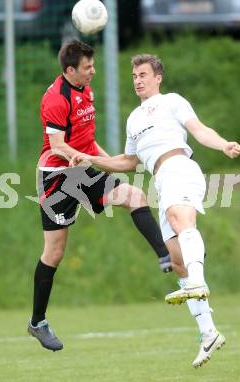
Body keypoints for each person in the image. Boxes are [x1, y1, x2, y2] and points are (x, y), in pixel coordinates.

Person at [71, 54, 240, 367]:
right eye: (134, 75)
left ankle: (198, 282)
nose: (137, 80)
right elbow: (128, 162)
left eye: (143, 74)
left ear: (158, 77)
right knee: (177, 262)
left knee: (181, 219)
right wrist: (90, 159)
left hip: (180, 166)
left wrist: (223, 144)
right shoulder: (133, 119)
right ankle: (209, 332)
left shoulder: (172, 102)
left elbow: (200, 130)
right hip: (161, 182)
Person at [27, 42, 173, 352]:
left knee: (134, 196)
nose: (93, 70)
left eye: (93, 65)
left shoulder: (86, 91)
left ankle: (165, 255)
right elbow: (57, 146)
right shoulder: (56, 98)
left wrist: (111, 164)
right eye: (87, 67)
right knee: (54, 253)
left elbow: (88, 142)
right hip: (56, 179)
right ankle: (37, 322)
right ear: (70, 70)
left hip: (83, 168)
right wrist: (86, 159)